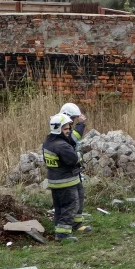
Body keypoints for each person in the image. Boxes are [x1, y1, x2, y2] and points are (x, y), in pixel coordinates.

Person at [42, 113, 82, 242]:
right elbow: (74, 159)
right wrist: (79, 153)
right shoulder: (62, 145)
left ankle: (58, 229)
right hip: (66, 182)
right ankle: (63, 235)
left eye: (68, 128)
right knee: (71, 206)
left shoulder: (48, 142)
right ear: (58, 129)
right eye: (65, 129)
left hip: (54, 181)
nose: (68, 131)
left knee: (59, 208)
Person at [59, 102, 91, 229]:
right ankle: (66, 226)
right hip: (66, 171)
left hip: (74, 170)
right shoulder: (60, 129)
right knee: (72, 199)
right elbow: (73, 139)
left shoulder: (67, 127)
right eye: (72, 118)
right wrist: (81, 124)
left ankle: (77, 223)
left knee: (80, 194)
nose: (73, 121)